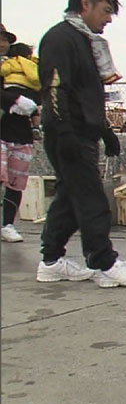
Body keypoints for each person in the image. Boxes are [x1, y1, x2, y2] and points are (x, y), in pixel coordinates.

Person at [35, 0, 126, 287]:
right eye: (105, 10)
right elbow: (56, 89)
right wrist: (65, 134)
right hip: (67, 132)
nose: (109, 19)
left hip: (82, 131)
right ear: (84, 4)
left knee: (70, 199)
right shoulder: (61, 39)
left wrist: (104, 132)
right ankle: (103, 263)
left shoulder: (85, 42)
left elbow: (87, 94)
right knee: (91, 199)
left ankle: (51, 260)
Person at [1, 25, 41, 243]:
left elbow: (38, 98)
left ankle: (7, 225)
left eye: (5, 40)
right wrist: (14, 101)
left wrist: (34, 112)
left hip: (21, 134)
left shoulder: (20, 68)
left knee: (16, 183)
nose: (1, 43)